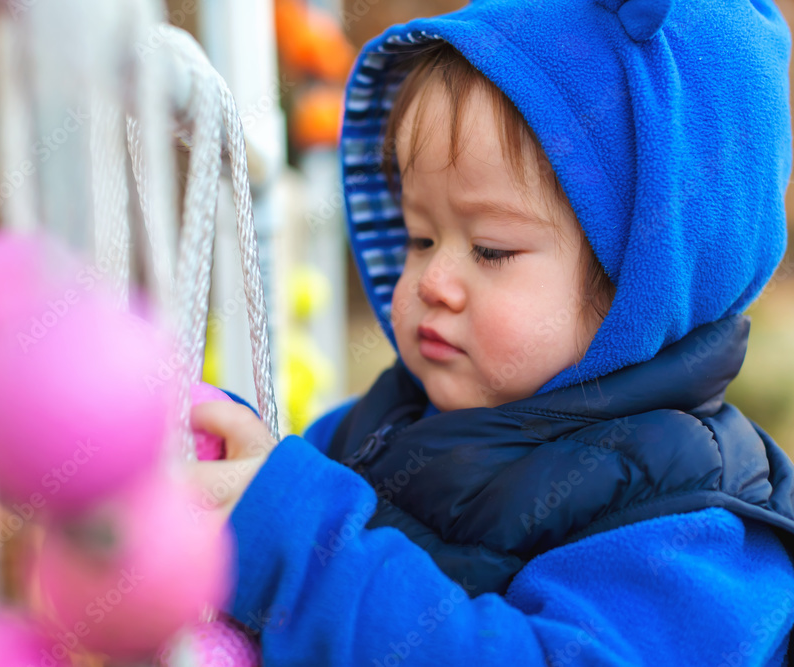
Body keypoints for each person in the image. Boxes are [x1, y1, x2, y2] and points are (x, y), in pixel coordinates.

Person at [187, 0, 794, 663]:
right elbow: (283, 501)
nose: (429, 281)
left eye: (490, 249)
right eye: (419, 236)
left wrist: (300, 544)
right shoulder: (379, 424)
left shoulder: (694, 535)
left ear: (643, 287)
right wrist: (227, 458)